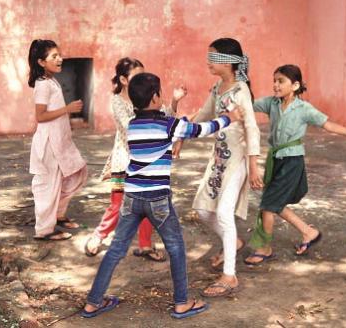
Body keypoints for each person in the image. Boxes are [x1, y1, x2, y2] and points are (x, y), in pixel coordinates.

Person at [82, 72, 243, 320]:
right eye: (161, 93)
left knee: (116, 249)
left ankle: (93, 302)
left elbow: (173, 124)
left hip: (132, 197)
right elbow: (200, 129)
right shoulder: (168, 124)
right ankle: (182, 302)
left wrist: (176, 109)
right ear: (156, 97)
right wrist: (227, 118)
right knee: (176, 248)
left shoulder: (134, 125)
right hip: (157, 199)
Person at [244, 64, 346, 264]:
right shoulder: (272, 104)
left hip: (292, 161)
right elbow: (249, 103)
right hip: (276, 159)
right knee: (274, 203)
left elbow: (327, 124)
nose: (275, 85)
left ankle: (264, 248)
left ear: (295, 85)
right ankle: (309, 232)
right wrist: (243, 80)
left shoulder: (304, 108)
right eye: (274, 81)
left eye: (281, 81)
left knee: (269, 205)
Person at [84, 57, 186, 260]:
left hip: (148, 160)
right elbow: (128, 124)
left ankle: (146, 245)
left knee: (147, 204)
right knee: (118, 205)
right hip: (124, 160)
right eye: (137, 76)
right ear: (123, 79)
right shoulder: (117, 101)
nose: (143, 79)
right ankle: (99, 235)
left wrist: (174, 101)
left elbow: (166, 116)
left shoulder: (149, 97)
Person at [188, 38, 261, 298]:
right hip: (219, 159)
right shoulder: (218, 87)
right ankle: (234, 242)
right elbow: (204, 114)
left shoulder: (241, 91)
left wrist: (253, 166)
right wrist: (181, 136)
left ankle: (229, 276)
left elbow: (252, 129)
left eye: (213, 57)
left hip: (238, 160)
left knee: (223, 213)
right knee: (202, 210)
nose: (208, 61)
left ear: (229, 62)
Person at [27, 39, 87, 241]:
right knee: (47, 185)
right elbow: (40, 116)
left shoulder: (51, 80)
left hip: (60, 141)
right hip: (49, 144)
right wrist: (67, 109)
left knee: (75, 172)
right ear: (41, 62)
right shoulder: (42, 84)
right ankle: (44, 229)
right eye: (54, 56)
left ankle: (58, 215)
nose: (60, 58)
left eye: (59, 55)